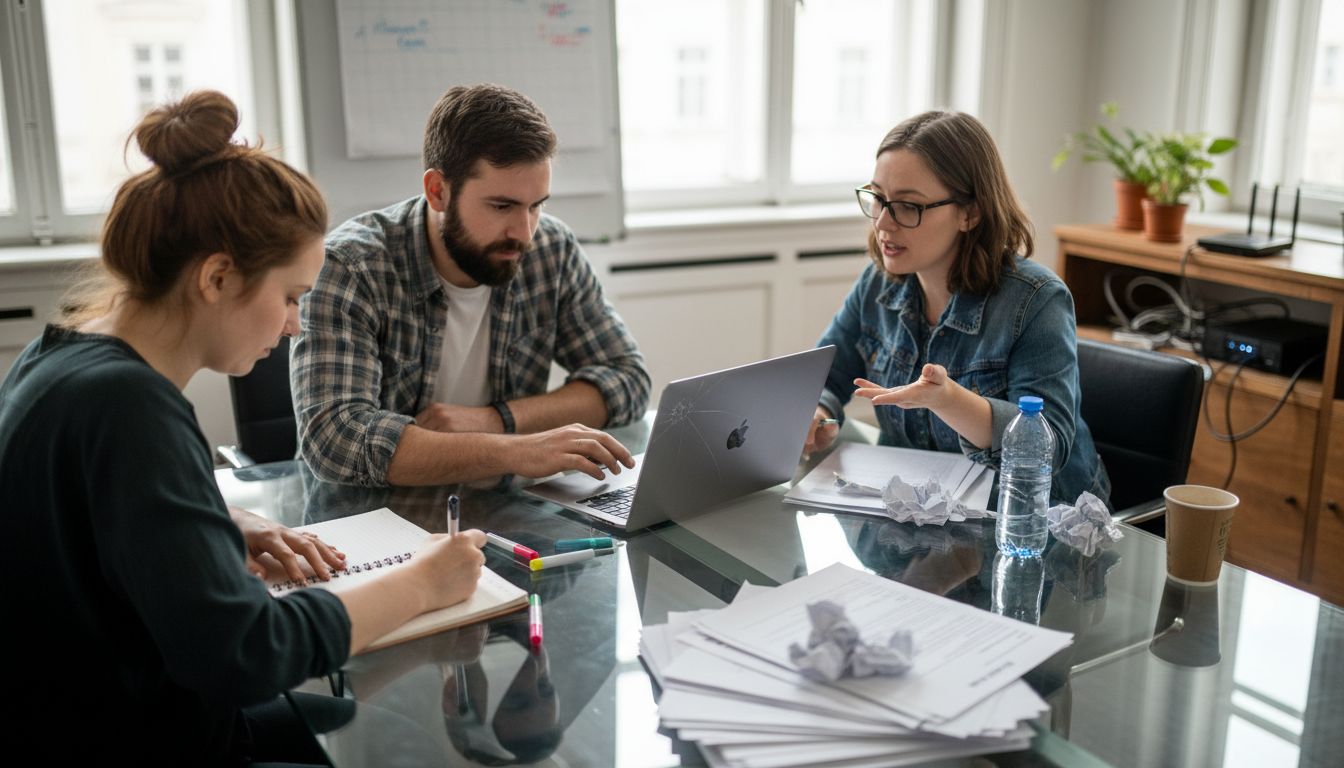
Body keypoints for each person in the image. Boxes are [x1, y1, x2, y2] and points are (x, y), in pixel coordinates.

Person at [0, 91, 487, 764]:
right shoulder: (130, 406)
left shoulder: (62, 353)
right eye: (290, 298)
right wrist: (423, 584)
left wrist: (218, 522)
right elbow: (247, 654)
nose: (294, 326)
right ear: (218, 277)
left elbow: (80, 528)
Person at [292, 83, 650, 487]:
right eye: (502, 206)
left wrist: (495, 420)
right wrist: (519, 449)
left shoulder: (551, 248)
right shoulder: (352, 267)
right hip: (377, 522)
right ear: (438, 191)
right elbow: (336, 439)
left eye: (536, 205)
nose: (524, 232)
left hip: (510, 510)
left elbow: (628, 379)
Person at [803, 110, 1109, 507]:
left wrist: (947, 399)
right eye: (878, 199)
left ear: (970, 213)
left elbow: (1046, 447)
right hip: (921, 518)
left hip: (1036, 525)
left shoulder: (1037, 301)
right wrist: (819, 410)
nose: (883, 223)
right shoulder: (877, 283)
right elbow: (826, 374)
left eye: (908, 206)